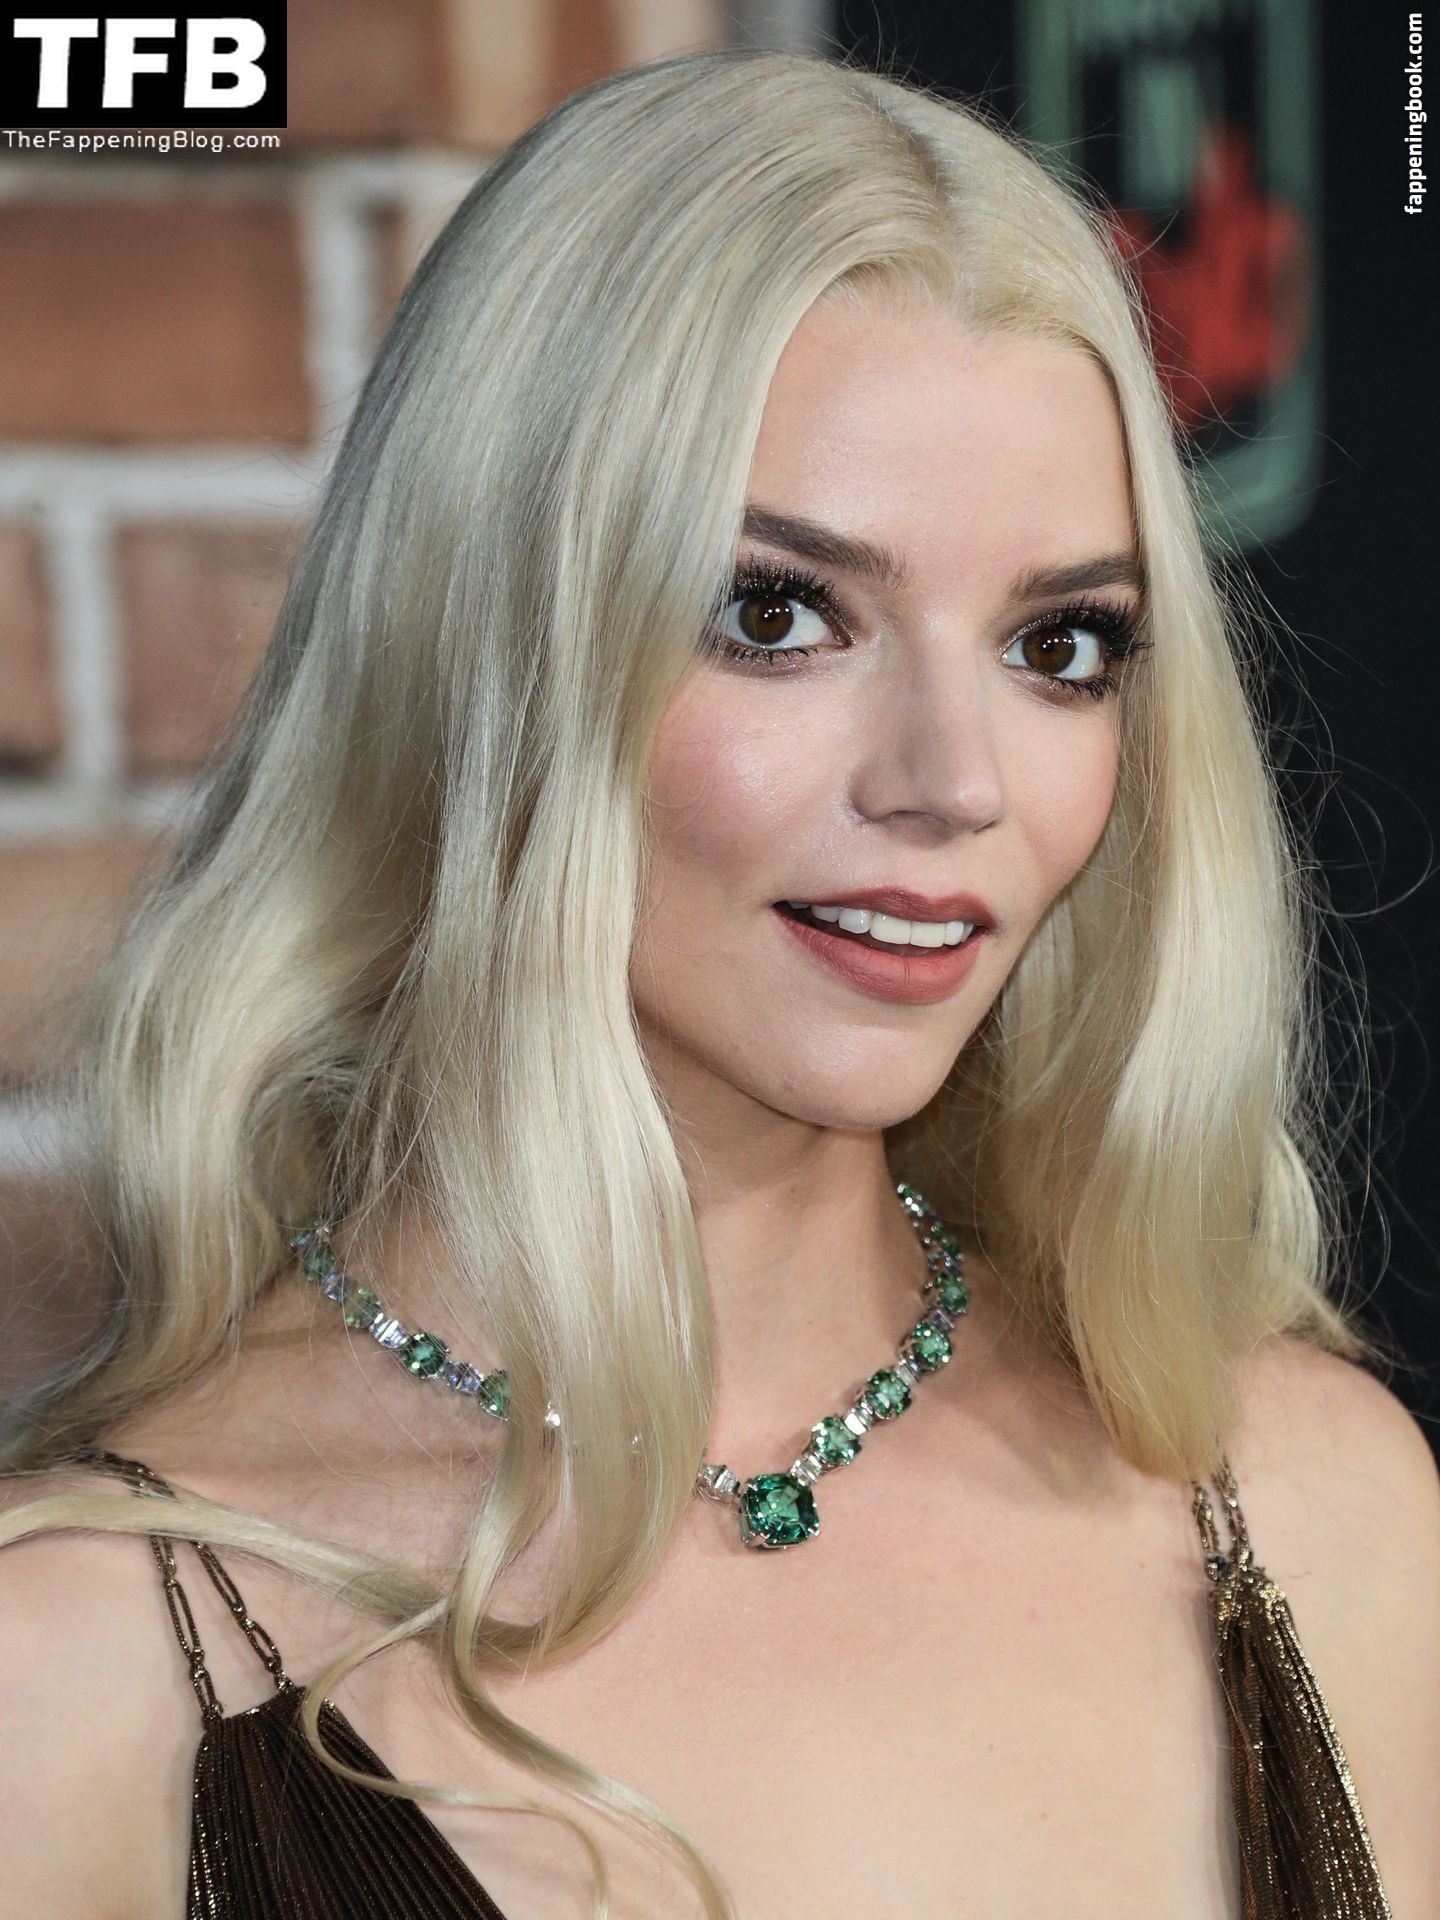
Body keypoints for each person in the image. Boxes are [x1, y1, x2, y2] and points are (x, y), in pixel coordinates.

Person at [0, 46, 1435, 1920]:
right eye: (780, 613)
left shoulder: (1311, 1506)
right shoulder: (81, 1664)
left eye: (1060, 646)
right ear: (488, 644)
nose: (954, 781)